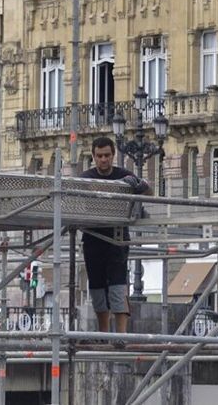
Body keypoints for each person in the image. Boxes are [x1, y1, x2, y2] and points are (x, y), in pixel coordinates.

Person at [80, 136, 151, 335]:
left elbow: (150, 192)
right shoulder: (85, 178)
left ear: (113, 155)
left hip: (118, 237)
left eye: (107, 155)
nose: (104, 160)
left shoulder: (124, 175)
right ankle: (104, 333)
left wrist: (140, 184)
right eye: (100, 156)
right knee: (96, 285)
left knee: (118, 283)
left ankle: (120, 335)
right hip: (93, 236)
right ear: (93, 156)